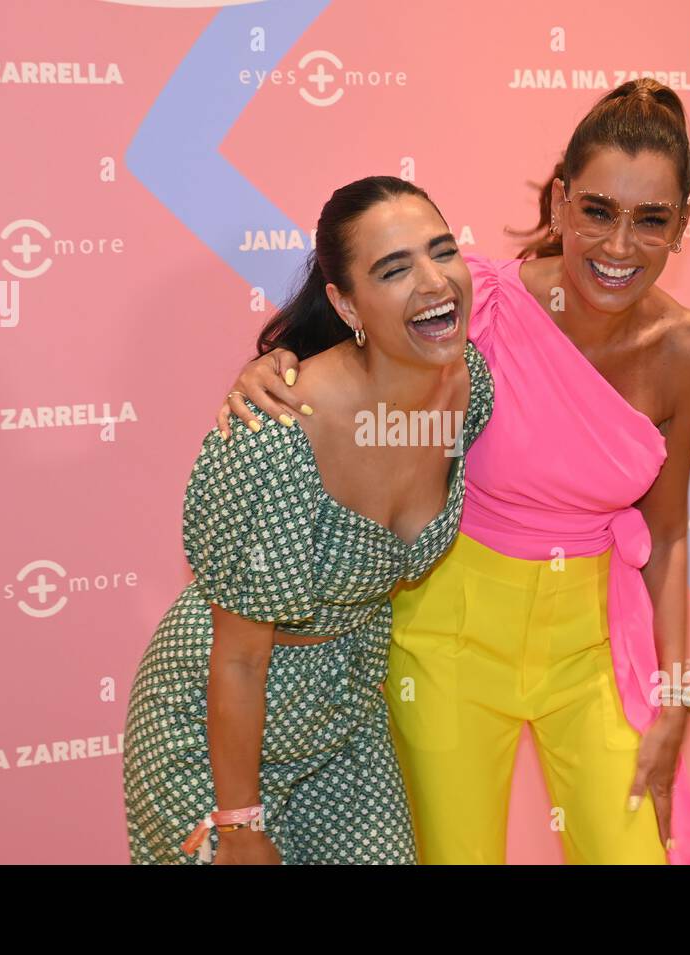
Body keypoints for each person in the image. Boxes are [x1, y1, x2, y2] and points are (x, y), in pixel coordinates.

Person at [217, 78, 690, 865]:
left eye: (650, 220)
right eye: (596, 210)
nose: (619, 246)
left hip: (590, 650)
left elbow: (669, 527)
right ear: (559, 202)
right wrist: (277, 365)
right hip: (445, 641)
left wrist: (676, 696)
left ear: (681, 225)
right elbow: (362, 352)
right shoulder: (479, 303)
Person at [124, 175, 493, 864]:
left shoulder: (468, 382)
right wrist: (238, 824)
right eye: (393, 268)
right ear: (345, 302)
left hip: (344, 717)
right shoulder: (278, 431)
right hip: (216, 726)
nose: (434, 281)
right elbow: (236, 657)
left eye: (442, 251)